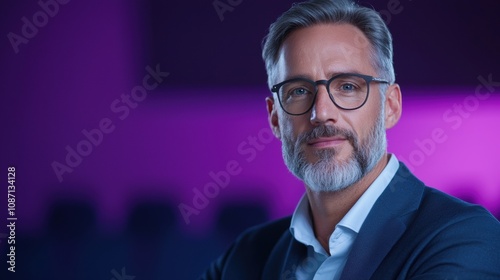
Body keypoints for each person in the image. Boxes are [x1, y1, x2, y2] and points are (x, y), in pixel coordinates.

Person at [200, 0, 500, 279]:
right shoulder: (244, 257)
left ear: (390, 107)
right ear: (275, 118)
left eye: (347, 86)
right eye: (299, 91)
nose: (321, 113)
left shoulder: (465, 237)